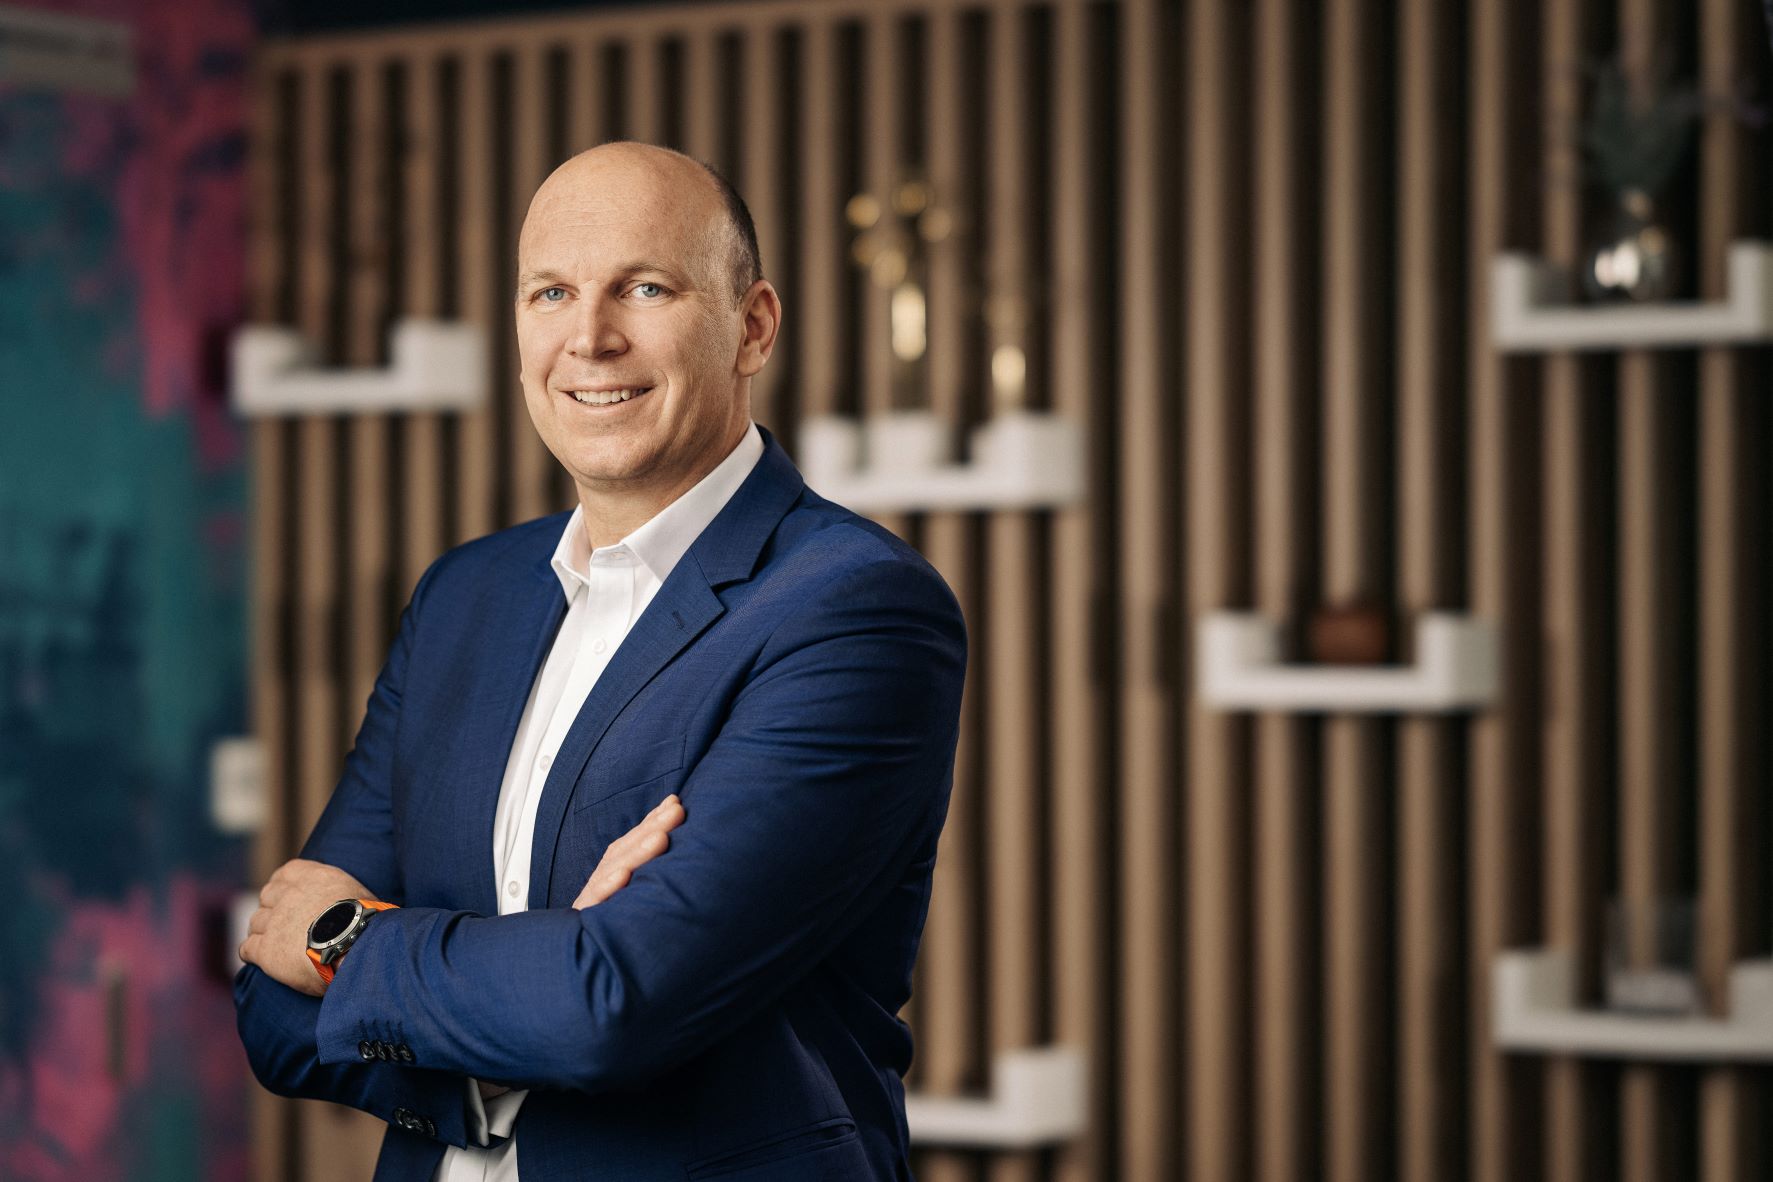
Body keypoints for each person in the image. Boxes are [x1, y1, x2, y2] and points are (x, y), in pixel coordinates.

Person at [234, 141, 966, 1182]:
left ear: (753, 326)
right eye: (551, 293)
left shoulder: (852, 607)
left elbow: (611, 1003)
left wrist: (344, 945)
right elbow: (270, 1012)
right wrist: (526, 1003)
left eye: (646, 288)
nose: (589, 338)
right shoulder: (464, 599)